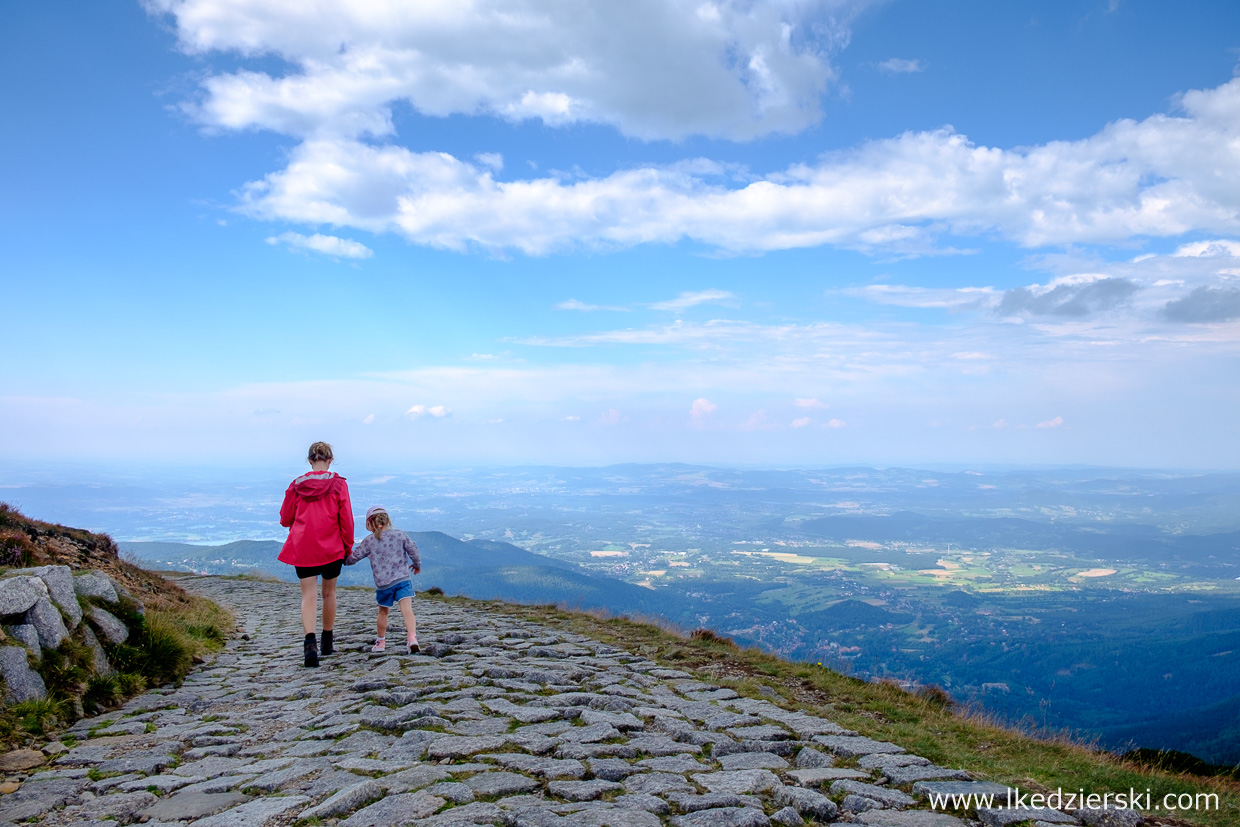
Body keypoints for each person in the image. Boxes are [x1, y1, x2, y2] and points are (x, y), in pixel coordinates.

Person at [278, 441, 353, 667]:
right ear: (330, 460)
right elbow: (346, 521)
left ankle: (310, 646)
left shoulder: (295, 486)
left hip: (303, 547)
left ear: (310, 461)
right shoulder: (339, 485)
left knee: (307, 596)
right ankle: (327, 643)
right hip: (331, 547)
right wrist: (347, 547)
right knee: (329, 594)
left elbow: (285, 519)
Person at [344, 505, 421, 654]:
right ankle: (412, 639)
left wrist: (340, 558)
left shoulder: (369, 541)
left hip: (384, 585)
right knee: (407, 611)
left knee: (383, 612)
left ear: (370, 522)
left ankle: (380, 642)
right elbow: (413, 551)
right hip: (403, 579)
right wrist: (417, 565)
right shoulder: (400, 535)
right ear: (387, 520)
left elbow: (353, 558)